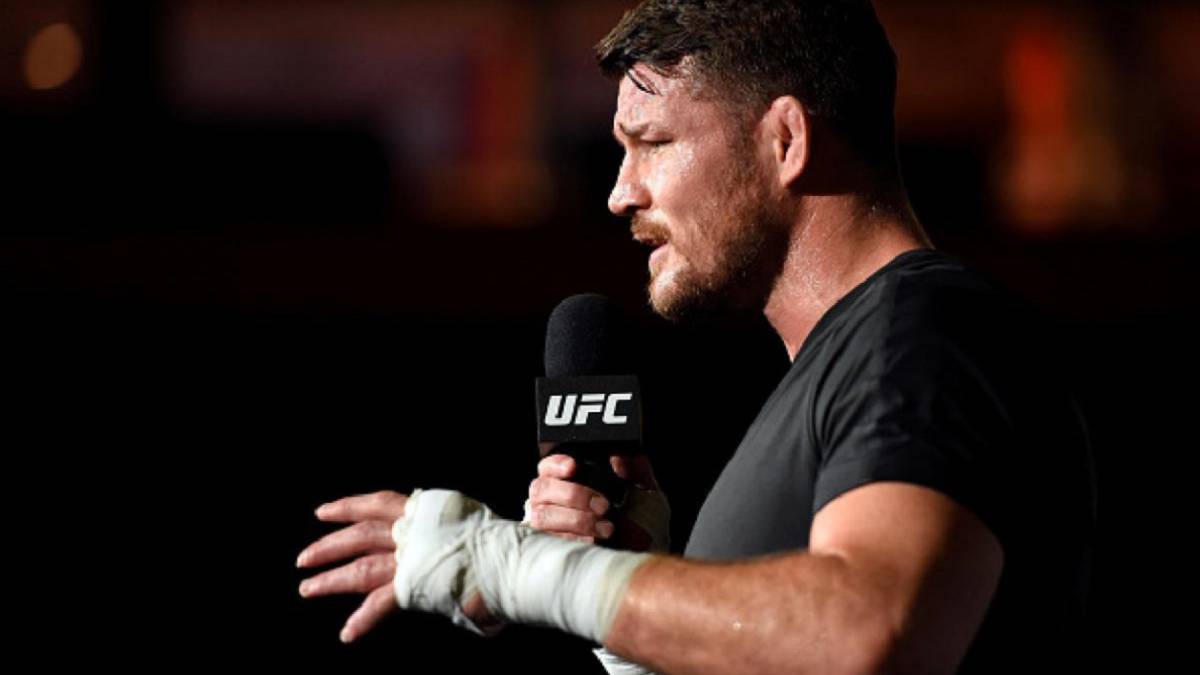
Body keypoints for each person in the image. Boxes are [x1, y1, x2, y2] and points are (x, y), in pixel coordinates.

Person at [296, 1, 1097, 673]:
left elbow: (871, 628)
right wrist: (631, 598)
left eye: (652, 142)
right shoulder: (847, 363)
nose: (620, 193)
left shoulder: (922, 332)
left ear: (786, 141)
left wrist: (529, 570)